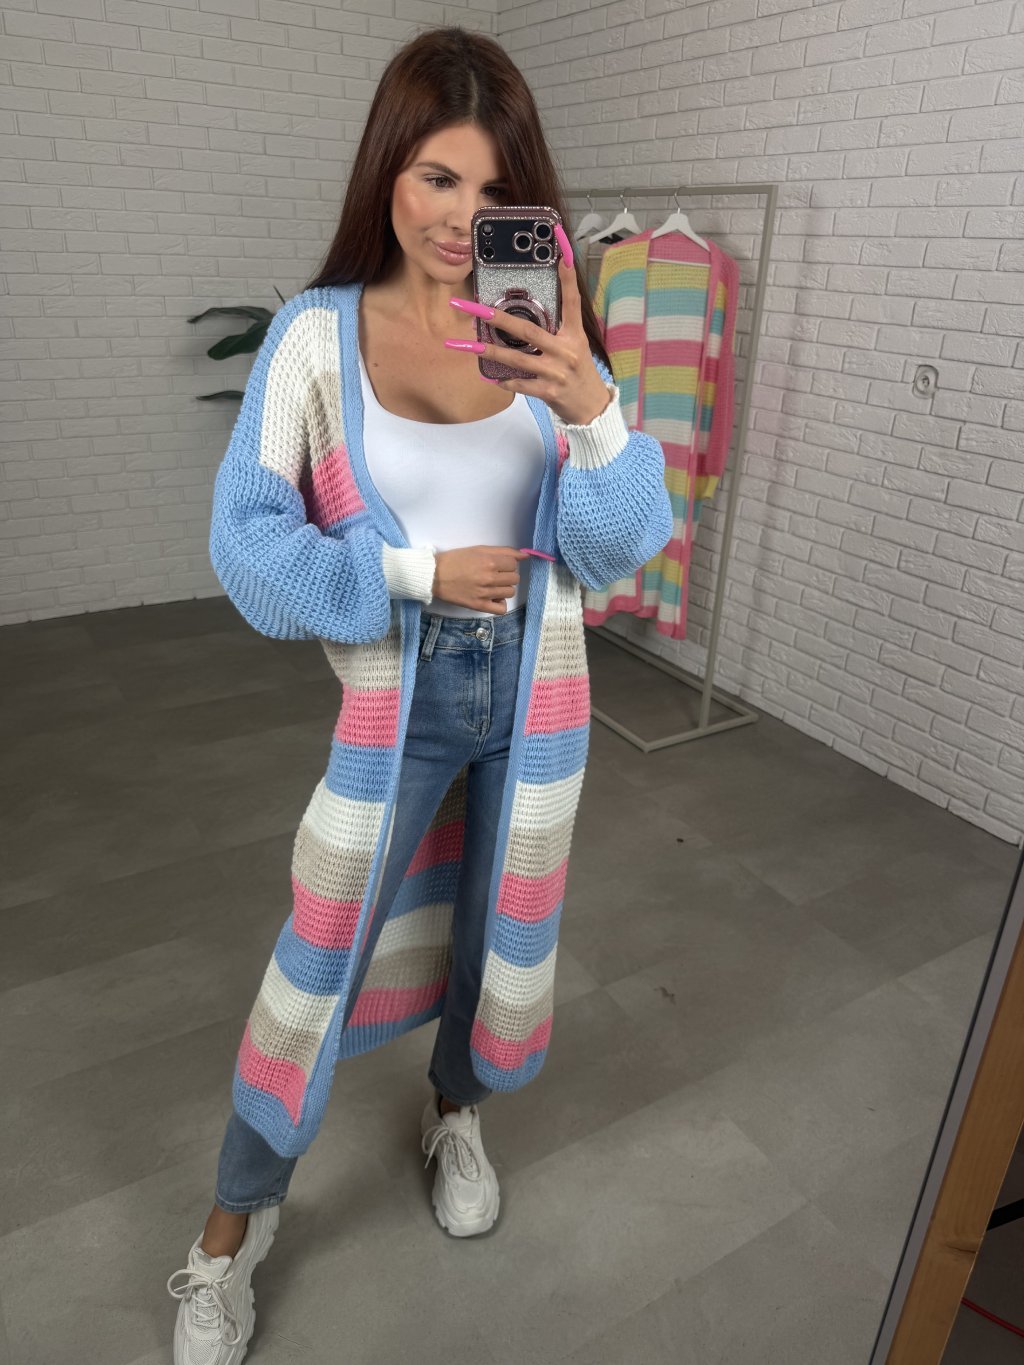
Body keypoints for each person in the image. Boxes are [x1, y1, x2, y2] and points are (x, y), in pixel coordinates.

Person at [166, 25, 672, 1365]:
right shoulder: (316, 340)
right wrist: (407, 570)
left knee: (497, 938)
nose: (463, 218)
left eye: (496, 190)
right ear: (387, 171)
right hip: (401, 704)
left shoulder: (545, 334)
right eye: (439, 178)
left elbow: (620, 547)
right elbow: (247, 546)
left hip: (540, 702)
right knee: (316, 962)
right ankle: (227, 1234)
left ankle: (457, 1112)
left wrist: (594, 405)